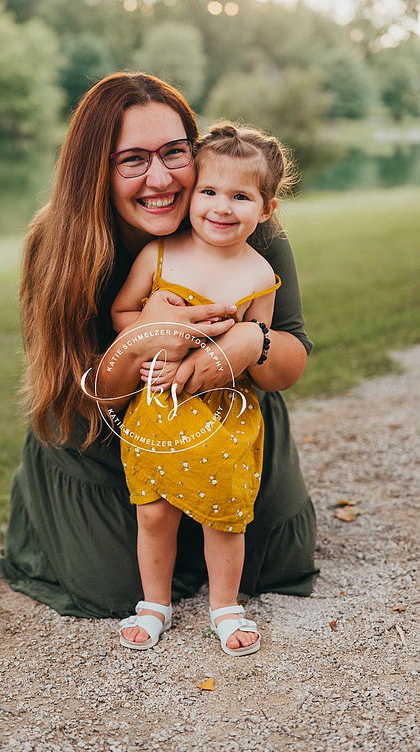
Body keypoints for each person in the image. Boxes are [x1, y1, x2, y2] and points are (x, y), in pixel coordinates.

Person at [0, 73, 319, 622]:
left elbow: (288, 360)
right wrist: (142, 336)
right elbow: (79, 396)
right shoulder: (61, 244)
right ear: (97, 170)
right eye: (133, 161)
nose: (162, 178)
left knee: (274, 559)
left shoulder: (244, 231)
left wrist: (251, 340)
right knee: (114, 587)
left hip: (223, 418)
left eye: (175, 153)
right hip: (105, 432)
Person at [109, 122, 294, 655]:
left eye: (241, 196)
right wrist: (160, 334)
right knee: (154, 511)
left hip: (222, 413)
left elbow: (256, 355)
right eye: (209, 191)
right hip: (158, 411)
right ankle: (155, 604)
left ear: (266, 210)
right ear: (191, 196)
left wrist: (211, 356)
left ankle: (225, 606)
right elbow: (123, 312)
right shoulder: (161, 255)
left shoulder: (261, 275)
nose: (222, 206)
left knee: (224, 514)